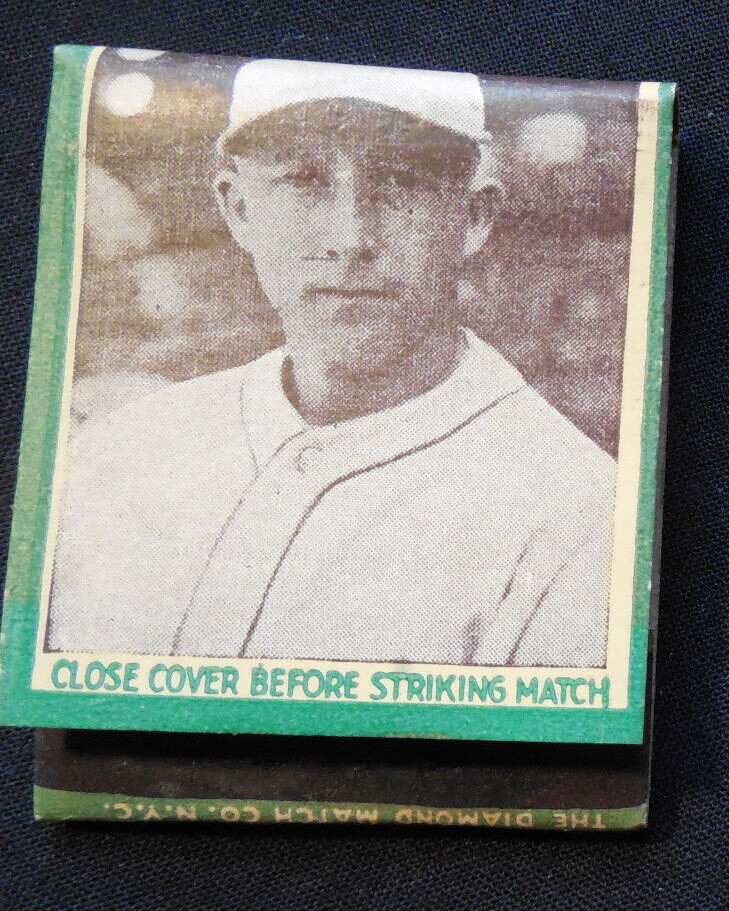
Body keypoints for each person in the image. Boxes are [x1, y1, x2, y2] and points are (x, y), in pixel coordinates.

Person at [47, 59, 614, 667]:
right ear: (239, 210)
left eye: (399, 183)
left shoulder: (582, 519)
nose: (350, 237)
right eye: (304, 181)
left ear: (473, 217)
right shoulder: (115, 452)